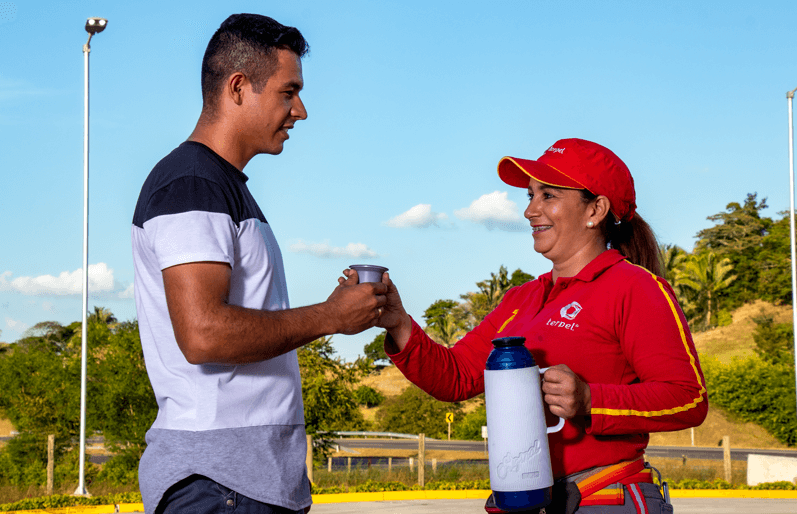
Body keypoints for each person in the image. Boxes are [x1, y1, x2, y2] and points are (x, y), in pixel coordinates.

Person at [360, 138, 707, 513]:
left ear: (596, 209)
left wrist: (592, 400)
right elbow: (456, 376)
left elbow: (687, 398)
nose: (530, 211)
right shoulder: (522, 298)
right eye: (530, 196)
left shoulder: (635, 287)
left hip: (603, 499)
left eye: (548, 196)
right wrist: (397, 323)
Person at [131, 14, 387, 514]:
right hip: (218, 483)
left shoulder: (221, 186)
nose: (301, 111)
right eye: (288, 92)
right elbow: (203, 334)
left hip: (242, 484)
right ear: (239, 87)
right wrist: (331, 317)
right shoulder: (193, 183)